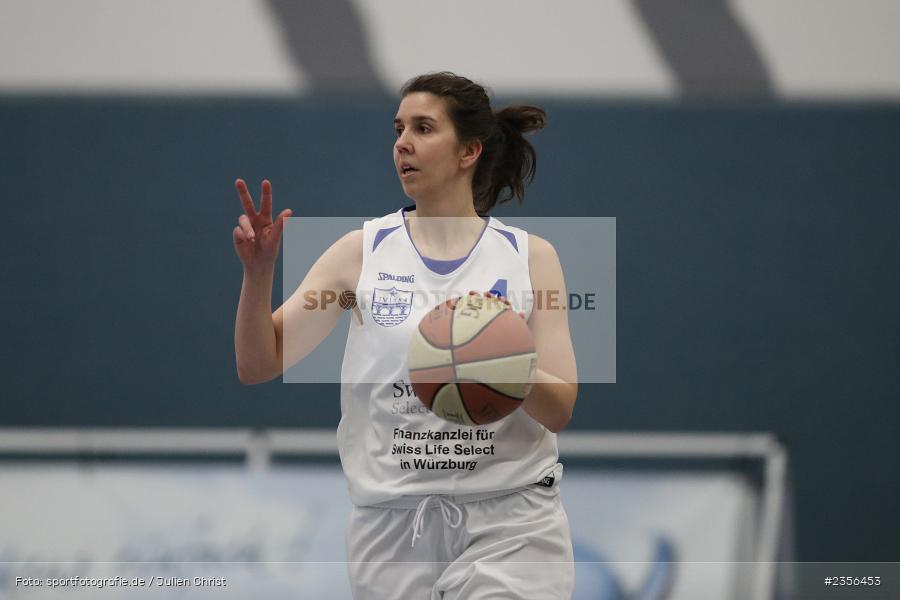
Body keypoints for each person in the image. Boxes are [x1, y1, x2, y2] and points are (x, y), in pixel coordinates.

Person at [233, 72, 577, 599]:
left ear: (468, 151)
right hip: (393, 526)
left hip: (511, 519)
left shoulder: (531, 257)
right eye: (398, 129)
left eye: (423, 127)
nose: (402, 143)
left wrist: (498, 361)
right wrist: (258, 275)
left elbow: (559, 409)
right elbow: (259, 364)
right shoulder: (361, 251)